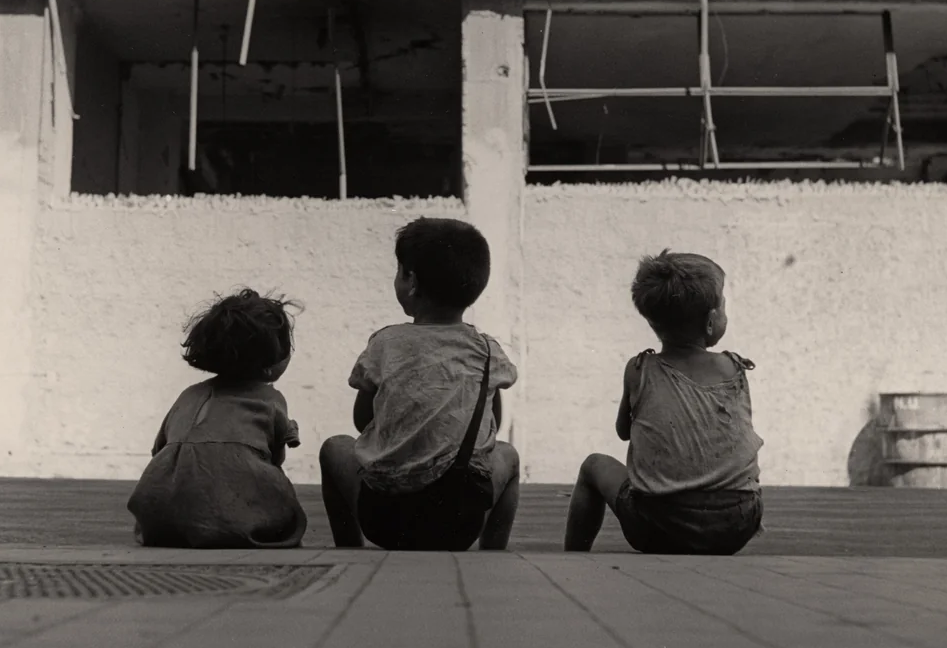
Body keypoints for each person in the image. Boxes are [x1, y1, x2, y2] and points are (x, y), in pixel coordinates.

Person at [319, 217, 520, 551]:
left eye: (400, 270)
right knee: (508, 456)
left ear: (411, 280)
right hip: (460, 520)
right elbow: (492, 426)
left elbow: (362, 421)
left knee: (334, 448)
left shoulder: (385, 344)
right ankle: (491, 553)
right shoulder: (486, 350)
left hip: (383, 519)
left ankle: (350, 550)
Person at [564, 250, 764, 555]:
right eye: (723, 305)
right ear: (711, 322)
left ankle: (573, 558)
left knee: (594, 465)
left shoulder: (639, 369)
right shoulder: (733, 368)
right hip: (735, 526)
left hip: (657, 529)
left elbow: (623, 431)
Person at [128, 288, 307, 549]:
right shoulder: (270, 399)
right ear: (271, 363)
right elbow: (275, 459)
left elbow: (159, 450)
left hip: (160, 522)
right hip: (240, 524)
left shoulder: (188, 395)